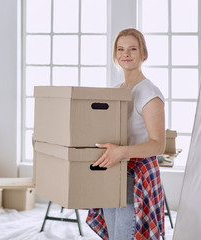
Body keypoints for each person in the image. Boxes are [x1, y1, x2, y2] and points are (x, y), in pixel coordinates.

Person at [86, 28, 165, 240]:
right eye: (120, 49)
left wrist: (121, 152)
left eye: (132, 49)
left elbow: (159, 145)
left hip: (137, 176)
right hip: (114, 172)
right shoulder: (115, 91)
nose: (125, 54)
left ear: (143, 54)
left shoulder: (149, 93)